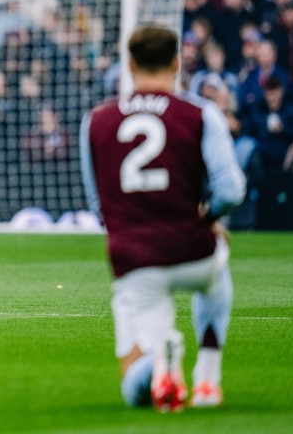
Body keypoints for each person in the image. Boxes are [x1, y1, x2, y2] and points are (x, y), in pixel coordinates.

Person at [81, 25, 245, 411]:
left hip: (135, 262)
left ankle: (161, 363)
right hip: (193, 250)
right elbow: (231, 191)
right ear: (176, 63)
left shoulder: (97, 120)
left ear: (130, 64)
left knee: (136, 387)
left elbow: (96, 205)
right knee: (218, 262)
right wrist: (207, 219)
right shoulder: (200, 113)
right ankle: (207, 377)